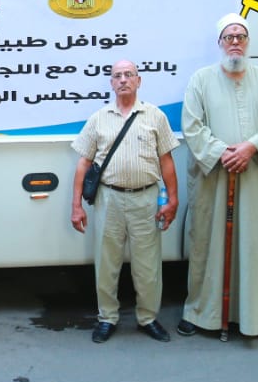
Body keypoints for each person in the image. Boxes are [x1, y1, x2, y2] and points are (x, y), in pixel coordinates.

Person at [178, 15, 258, 339]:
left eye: (240, 36)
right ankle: (201, 313)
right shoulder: (200, 80)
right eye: (229, 37)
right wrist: (222, 152)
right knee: (207, 244)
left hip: (252, 176)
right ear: (220, 43)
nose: (235, 41)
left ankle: (256, 315)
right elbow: (192, 126)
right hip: (214, 176)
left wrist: (250, 148)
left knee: (255, 242)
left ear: (248, 42)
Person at [71, 60, 180, 344]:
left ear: (138, 81)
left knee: (148, 265)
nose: (123, 80)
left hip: (146, 198)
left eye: (128, 75)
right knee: (106, 263)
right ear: (111, 83)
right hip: (109, 199)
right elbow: (83, 163)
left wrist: (173, 200)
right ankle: (107, 318)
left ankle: (148, 318)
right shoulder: (99, 118)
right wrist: (76, 206)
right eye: (117, 76)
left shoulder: (155, 116)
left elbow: (167, 161)